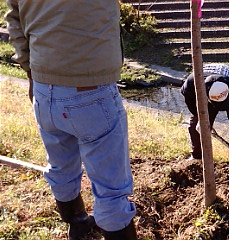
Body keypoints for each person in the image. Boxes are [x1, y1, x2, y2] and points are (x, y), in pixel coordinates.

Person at [5, 1, 137, 239]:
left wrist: (31, 72)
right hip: (91, 87)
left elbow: (14, 17)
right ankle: (98, 225)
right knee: (111, 190)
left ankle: (77, 224)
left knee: (61, 166)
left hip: (45, 87)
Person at [181, 63, 229, 165]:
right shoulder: (190, 85)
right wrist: (201, 119)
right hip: (203, 87)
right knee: (195, 126)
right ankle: (197, 156)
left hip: (227, 77)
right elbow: (192, 104)